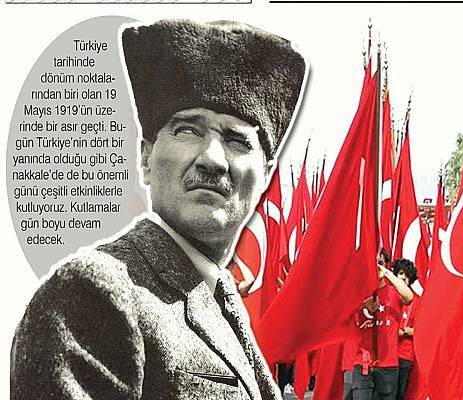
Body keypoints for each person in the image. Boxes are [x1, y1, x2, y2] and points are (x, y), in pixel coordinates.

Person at [10, 20, 306, 400]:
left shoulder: (222, 306)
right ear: (146, 158)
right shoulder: (95, 291)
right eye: (188, 130)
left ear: (265, 175)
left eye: (237, 140)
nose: (213, 159)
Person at [346, 250, 414, 400]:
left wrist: (386, 273)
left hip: (388, 366)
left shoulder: (393, 292)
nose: (376, 267)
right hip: (363, 364)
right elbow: (343, 311)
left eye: (380, 263)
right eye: (373, 263)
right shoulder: (359, 292)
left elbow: (409, 297)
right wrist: (363, 305)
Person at [394, 259, 419, 399]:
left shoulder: (417, 301)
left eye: (407, 275)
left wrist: (409, 332)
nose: (403, 277)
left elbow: (423, 329)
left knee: (400, 394)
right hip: (387, 355)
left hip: (405, 355)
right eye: (400, 273)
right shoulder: (388, 295)